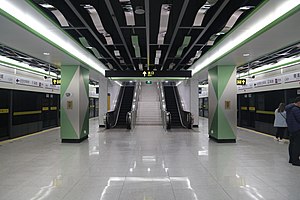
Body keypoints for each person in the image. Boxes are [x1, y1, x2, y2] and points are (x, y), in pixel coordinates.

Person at [285, 97, 300, 166]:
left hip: (292, 129)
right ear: (298, 102)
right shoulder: (296, 109)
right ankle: (296, 160)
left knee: (292, 145)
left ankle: (291, 159)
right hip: (297, 129)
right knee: (297, 145)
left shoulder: (289, 108)